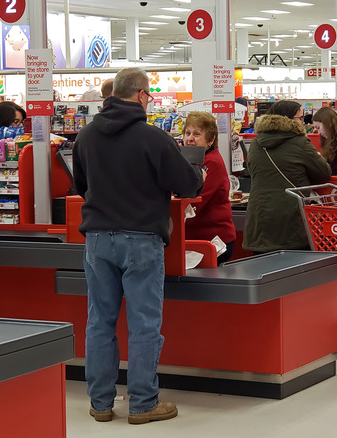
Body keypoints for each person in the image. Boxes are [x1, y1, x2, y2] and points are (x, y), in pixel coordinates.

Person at [72, 67, 205, 425]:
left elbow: (81, 187)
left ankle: (100, 403)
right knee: (144, 324)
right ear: (143, 96)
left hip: (97, 239)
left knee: (99, 321)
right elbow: (187, 185)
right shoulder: (153, 138)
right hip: (142, 240)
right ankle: (143, 403)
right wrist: (199, 172)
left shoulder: (85, 137)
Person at [243, 100, 331, 253]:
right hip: (291, 218)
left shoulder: (257, 143)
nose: (303, 122)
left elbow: (251, 171)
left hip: (260, 217)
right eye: (300, 118)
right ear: (288, 119)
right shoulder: (299, 142)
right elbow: (323, 173)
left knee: (263, 271)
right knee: (294, 272)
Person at [182, 112, 236, 265]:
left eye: (197, 134)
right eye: (188, 133)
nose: (190, 138)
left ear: (211, 140)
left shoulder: (212, 163)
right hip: (194, 240)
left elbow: (195, 201)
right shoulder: (189, 161)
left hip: (213, 241)